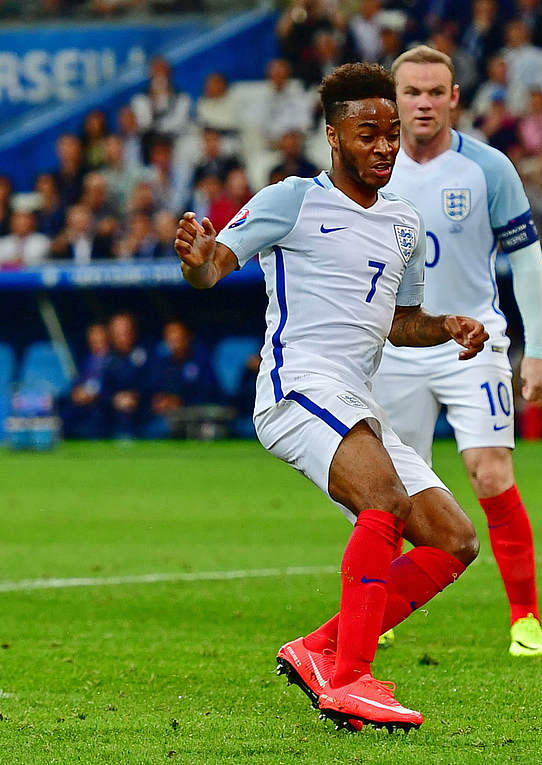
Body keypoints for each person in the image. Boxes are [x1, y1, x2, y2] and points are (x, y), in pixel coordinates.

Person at [172, 62, 490, 731]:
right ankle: (350, 679)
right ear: (334, 136)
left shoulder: (405, 223)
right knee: (384, 501)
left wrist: (447, 325)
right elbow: (214, 266)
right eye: (368, 134)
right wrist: (199, 260)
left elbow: (401, 322)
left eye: (392, 134)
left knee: (454, 540)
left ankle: (319, 649)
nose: (384, 146)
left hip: (356, 399)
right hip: (297, 386)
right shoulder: (292, 199)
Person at [371, 45, 542, 658]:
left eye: (435, 92)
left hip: (474, 346)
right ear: (394, 100)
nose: (423, 103)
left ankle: (525, 618)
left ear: (454, 98)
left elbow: (526, 259)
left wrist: (539, 348)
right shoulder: (370, 168)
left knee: (490, 472)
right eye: (411, 92)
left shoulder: (488, 168)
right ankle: (379, 611)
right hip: (395, 350)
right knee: (389, 491)